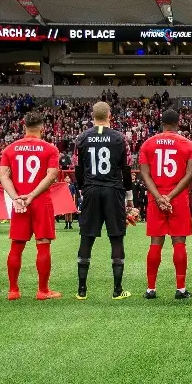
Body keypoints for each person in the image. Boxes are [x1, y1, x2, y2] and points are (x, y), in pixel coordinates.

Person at [74, 101, 135, 300]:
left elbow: (78, 169)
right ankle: (117, 290)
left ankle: (82, 290)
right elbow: (126, 169)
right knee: (116, 237)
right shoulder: (119, 138)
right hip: (113, 190)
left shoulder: (82, 138)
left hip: (91, 189)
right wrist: (129, 197)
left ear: (93, 116)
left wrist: (84, 189)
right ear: (110, 115)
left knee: (87, 237)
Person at [0, 112, 61, 301]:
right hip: (40, 201)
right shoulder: (50, 149)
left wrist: (16, 197)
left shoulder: (10, 149)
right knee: (43, 245)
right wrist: (32, 195)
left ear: (23, 126)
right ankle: (43, 291)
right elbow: (51, 176)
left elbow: (3, 176)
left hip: (19, 202)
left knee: (16, 246)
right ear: (43, 128)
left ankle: (13, 290)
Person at [138, 109, 192, 299]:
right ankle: (180, 289)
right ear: (178, 123)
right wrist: (170, 197)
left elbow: (145, 174)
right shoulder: (188, 145)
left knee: (155, 242)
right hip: (178, 199)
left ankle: (151, 289)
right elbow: (189, 175)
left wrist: (158, 197)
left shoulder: (148, 144)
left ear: (161, 123)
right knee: (179, 242)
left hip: (156, 199)